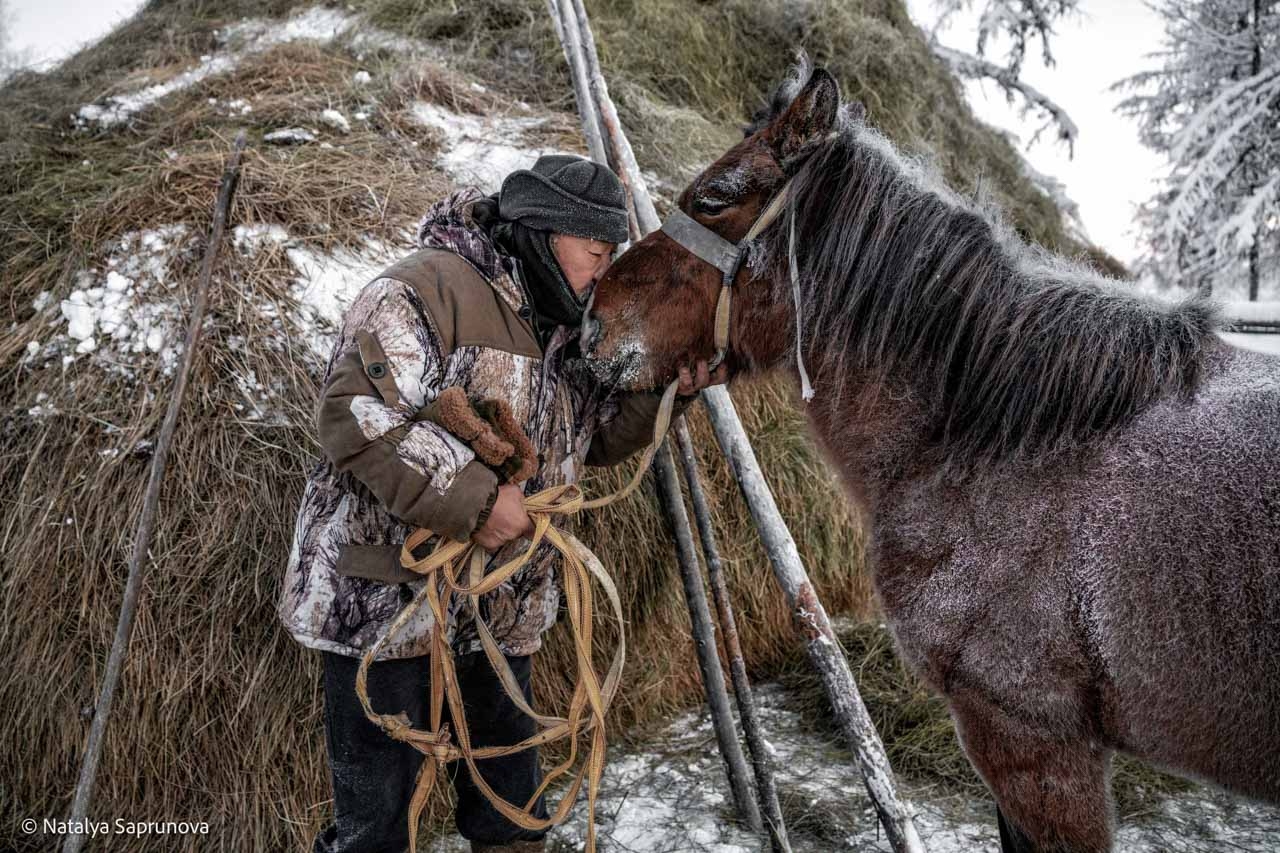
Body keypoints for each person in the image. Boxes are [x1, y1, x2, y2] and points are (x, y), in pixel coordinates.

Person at [278, 154, 727, 853]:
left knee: (512, 811)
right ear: (545, 233)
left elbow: (597, 439)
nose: (603, 275)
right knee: (376, 827)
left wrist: (671, 389)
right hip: (384, 607)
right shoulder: (422, 290)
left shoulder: (570, 324)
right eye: (596, 253)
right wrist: (479, 499)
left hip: (501, 608)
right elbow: (356, 414)